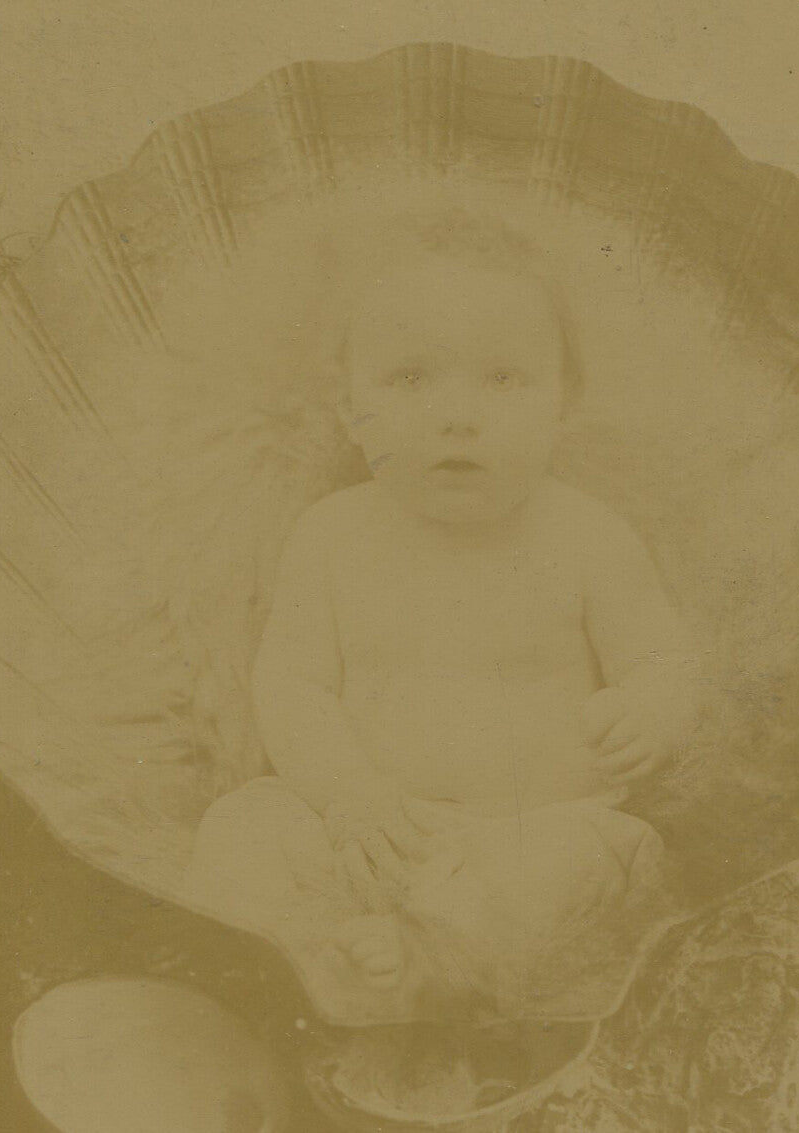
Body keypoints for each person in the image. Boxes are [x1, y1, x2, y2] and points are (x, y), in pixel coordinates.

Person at [183, 210, 703, 1024]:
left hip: (526, 837)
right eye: (412, 379)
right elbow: (293, 685)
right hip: (369, 837)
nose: (458, 414)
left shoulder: (588, 536)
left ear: (565, 401)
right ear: (350, 406)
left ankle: (415, 971)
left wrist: (649, 707)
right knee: (243, 828)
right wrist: (348, 791)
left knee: (595, 867)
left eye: (503, 379)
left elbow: (664, 660)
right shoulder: (331, 536)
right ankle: (345, 958)